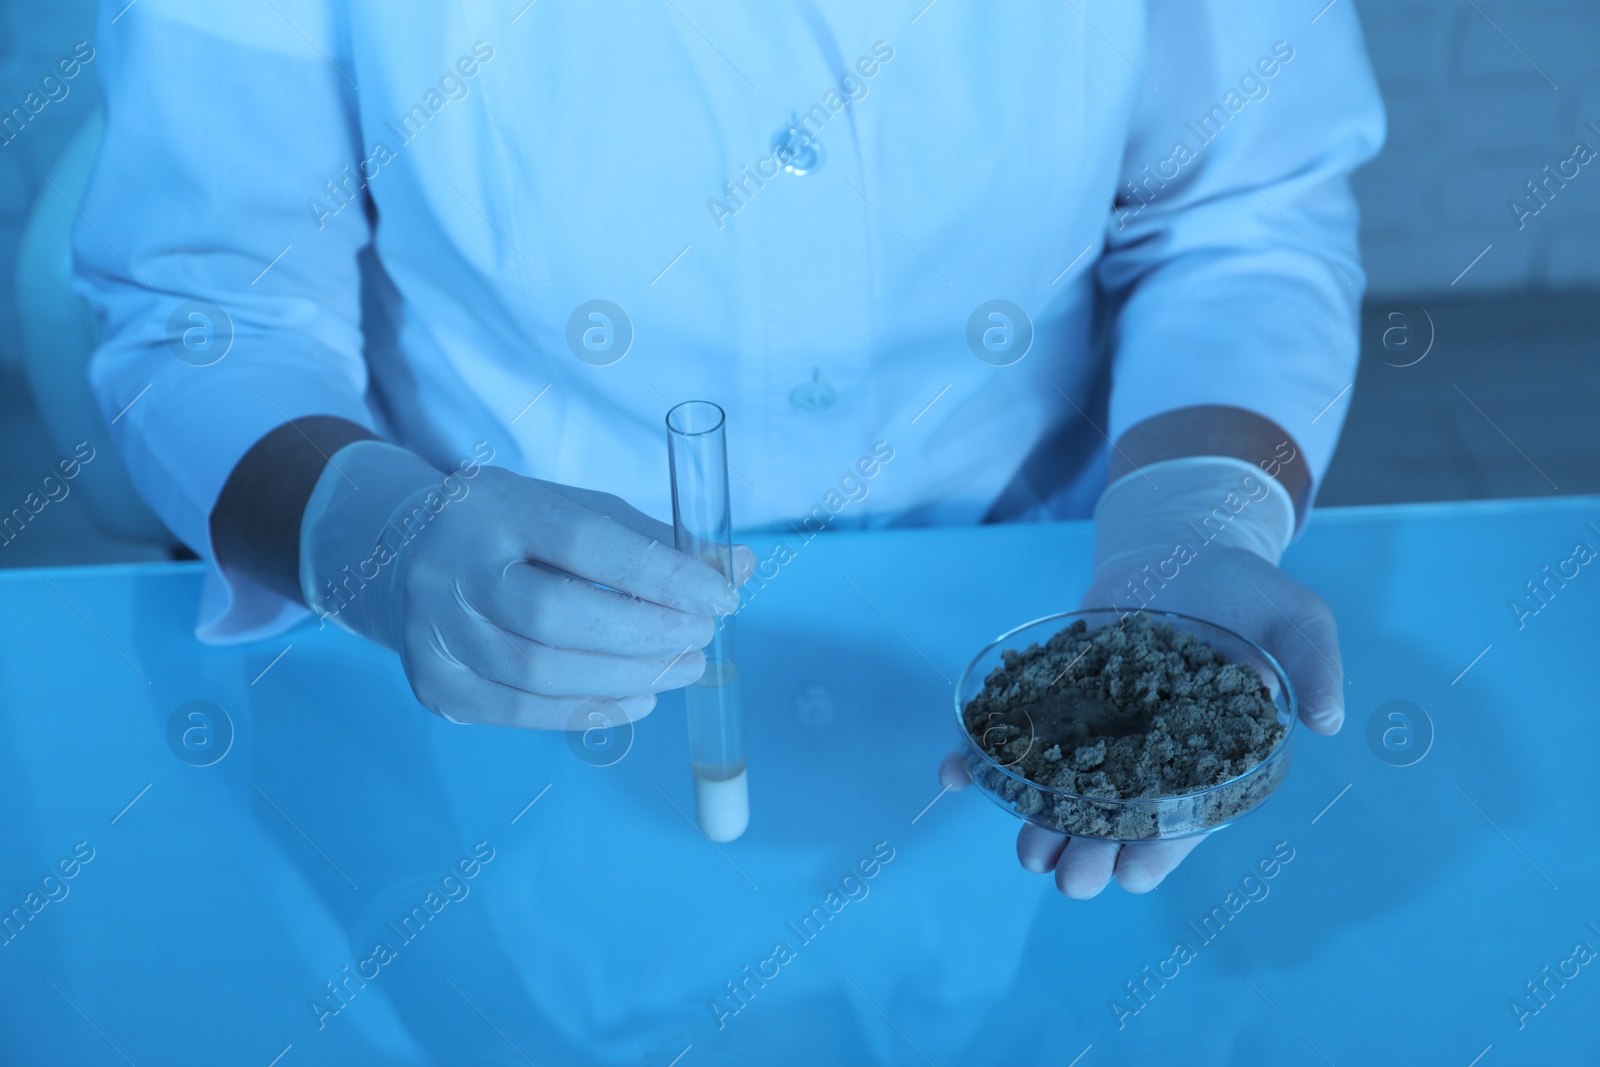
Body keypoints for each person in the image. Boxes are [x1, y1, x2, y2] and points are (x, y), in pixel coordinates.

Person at [75, 1, 1383, 899]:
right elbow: (211, 306)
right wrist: (374, 532)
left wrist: (1192, 519)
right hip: (494, 685)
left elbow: (1237, 225)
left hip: (1026, 621)